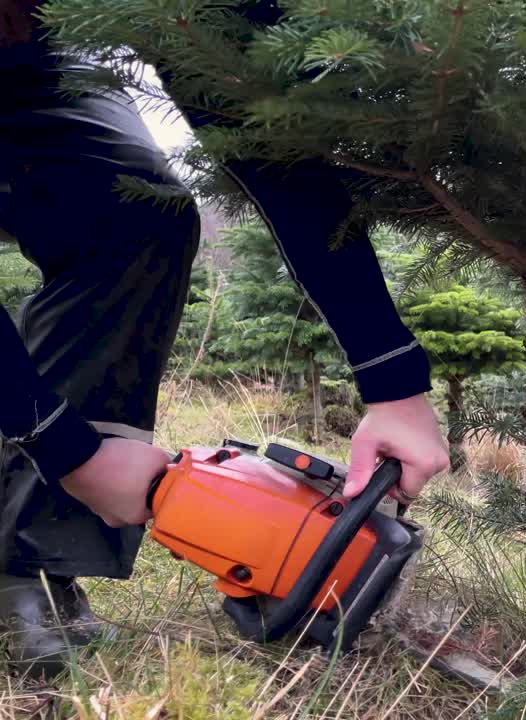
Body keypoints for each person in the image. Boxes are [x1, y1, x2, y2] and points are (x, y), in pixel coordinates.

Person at [0, 1, 450, 675]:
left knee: (135, 211)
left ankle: (26, 560)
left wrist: (394, 383)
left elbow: (267, 147)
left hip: (34, 58)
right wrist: (66, 447)